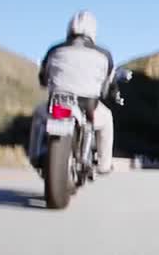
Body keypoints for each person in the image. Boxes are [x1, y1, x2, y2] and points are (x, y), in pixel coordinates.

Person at [28, 10, 117, 174]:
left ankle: (34, 155)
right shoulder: (104, 55)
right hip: (87, 107)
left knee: (38, 114)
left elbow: (43, 78)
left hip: (59, 106)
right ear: (93, 31)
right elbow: (107, 85)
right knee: (107, 119)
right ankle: (104, 165)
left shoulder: (54, 50)